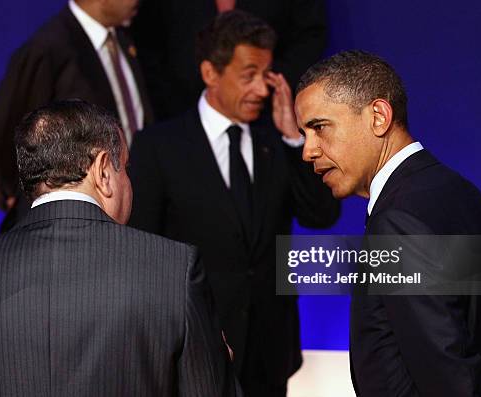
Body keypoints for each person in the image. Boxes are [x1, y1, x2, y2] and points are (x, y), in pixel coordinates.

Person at [0, 100, 237, 396]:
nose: (128, 180)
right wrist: (219, 365)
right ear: (101, 171)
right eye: (124, 167)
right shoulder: (174, 270)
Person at [128, 11, 340, 396]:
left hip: (269, 355)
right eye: (249, 76)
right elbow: (141, 253)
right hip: (190, 354)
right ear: (210, 73)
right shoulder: (158, 148)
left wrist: (295, 141)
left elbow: (322, 214)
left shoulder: (278, 143)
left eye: (267, 74)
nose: (262, 89)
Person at [294, 50, 481, 396]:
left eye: (319, 128)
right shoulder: (457, 192)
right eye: (303, 134)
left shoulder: (399, 221)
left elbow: (450, 376)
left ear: (378, 116)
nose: (308, 151)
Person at [0, 0, 153, 233]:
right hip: (65, 226)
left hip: (126, 212)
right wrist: (13, 190)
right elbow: (3, 132)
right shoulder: (49, 47)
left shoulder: (124, 40)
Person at [130, 0, 327, 120]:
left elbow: (310, 36)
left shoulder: (283, 141)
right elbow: (147, 42)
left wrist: (263, 82)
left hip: (267, 120)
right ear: (209, 73)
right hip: (176, 112)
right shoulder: (157, 148)